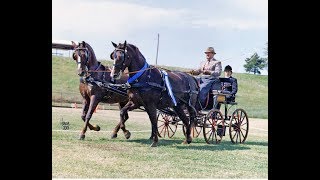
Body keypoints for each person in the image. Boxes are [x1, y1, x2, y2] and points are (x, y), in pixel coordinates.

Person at [191, 47, 222, 111]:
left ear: (213, 54)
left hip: (211, 80)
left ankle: (199, 107)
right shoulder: (203, 63)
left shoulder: (217, 62)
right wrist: (193, 72)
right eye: (206, 53)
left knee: (202, 88)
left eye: (209, 53)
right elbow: (198, 71)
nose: (207, 54)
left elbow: (218, 73)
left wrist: (209, 72)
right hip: (201, 78)